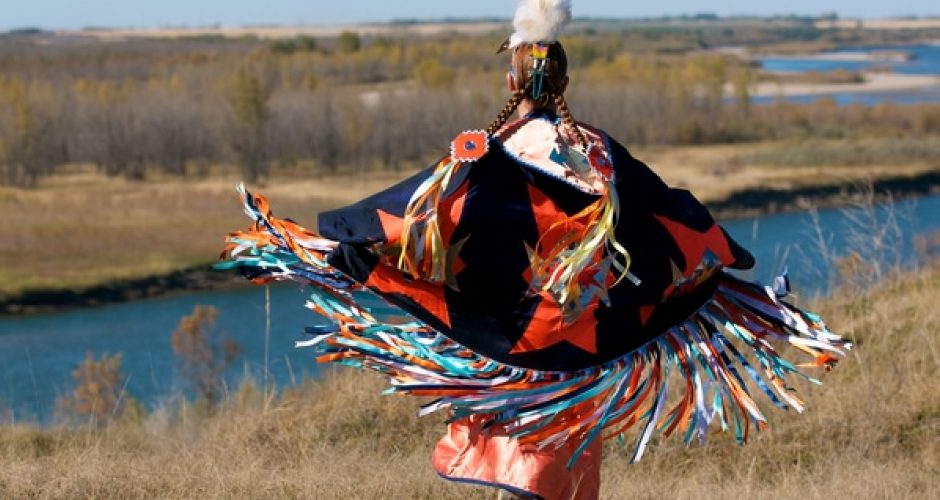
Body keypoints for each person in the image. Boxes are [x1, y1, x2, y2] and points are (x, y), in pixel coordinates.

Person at [218, 1, 850, 499]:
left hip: (507, 338)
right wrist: (716, 267)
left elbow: (411, 212)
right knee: (562, 453)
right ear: (566, 78)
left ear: (509, 75)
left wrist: (342, 240)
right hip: (589, 343)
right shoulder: (602, 154)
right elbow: (669, 215)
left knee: (514, 439)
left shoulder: (484, 157)